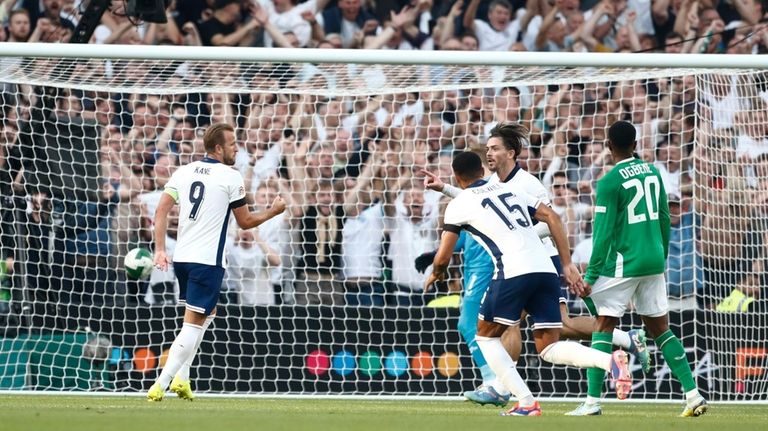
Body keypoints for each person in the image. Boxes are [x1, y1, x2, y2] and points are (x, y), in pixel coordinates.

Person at [420, 122, 648, 406]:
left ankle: (513, 394)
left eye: (495, 148)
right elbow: (535, 212)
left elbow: (542, 220)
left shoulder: (526, 183)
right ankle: (614, 356)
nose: (489, 154)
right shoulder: (503, 188)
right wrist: (444, 188)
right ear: (482, 171)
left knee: (488, 335)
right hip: (540, 264)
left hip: (522, 264)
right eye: (487, 150)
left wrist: (438, 271)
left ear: (511, 153)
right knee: (549, 342)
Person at [567, 121, 707, 417]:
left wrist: (591, 276)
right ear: (635, 144)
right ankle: (693, 394)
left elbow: (603, 234)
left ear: (608, 146)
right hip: (654, 261)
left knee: (602, 324)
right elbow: (666, 217)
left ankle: (592, 401)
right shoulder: (654, 172)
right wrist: (662, 254)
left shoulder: (609, 182)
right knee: (661, 329)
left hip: (623, 263)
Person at [147, 123, 286, 401]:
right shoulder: (230, 176)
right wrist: (273, 211)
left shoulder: (184, 171)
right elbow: (245, 221)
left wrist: (160, 249)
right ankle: (159, 385)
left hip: (183, 259)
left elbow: (161, 210)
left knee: (207, 315)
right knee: (192, 326)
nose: (237, 148)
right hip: (207, 261)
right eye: (233, 144)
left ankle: (183, 379)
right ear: (219, 148)